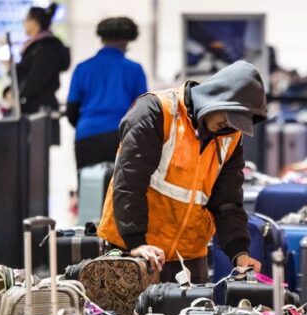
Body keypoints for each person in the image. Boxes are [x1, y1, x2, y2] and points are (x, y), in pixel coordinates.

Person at [96, 61, 266, 282]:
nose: (229, 128)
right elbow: (129, 181)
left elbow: (228, 201)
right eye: (226, 119)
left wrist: (239, 253)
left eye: (235, 125)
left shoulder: (231, 137)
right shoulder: (156, 110)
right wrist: (136, 243)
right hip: (134, 251)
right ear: (215, 97)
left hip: (189, 259)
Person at [67, 17, 147, 170]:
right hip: (122, 137)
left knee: (89, 187)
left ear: (102, 39)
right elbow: (142, 110)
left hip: (87, 135)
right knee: (120, 189)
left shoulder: (82, 68)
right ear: (126, 41)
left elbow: (71, 111)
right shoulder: (134, 69)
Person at [16, 3, 70, 117]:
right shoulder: (36, 46)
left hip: (41, 112)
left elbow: (36, 79)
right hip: (36, 109)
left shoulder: (46, 48)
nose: (24, 23)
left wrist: (17, 93)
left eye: (26, 19)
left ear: (35, 22)